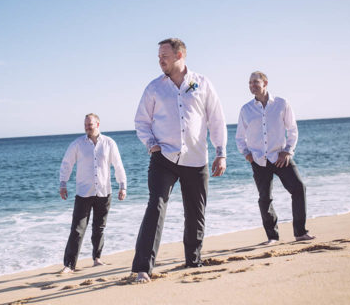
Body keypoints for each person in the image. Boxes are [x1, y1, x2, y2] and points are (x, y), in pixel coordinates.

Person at [131, 38, 227, 283]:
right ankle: (143, 268)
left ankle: (193, 261)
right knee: (156, 207)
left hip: (196, 159)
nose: (160, 60)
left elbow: (216, 119)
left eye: (164, 55)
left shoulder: (202, 83)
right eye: (159, 56)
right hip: (164, 157)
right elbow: (141, 121)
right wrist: (151, 144)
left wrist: (221, 152)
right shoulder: (154, 87)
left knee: (196, 212)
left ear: (180, 54)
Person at [235, 71, 314, 244]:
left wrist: (287, 151)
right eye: (250, 83)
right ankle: (272, 237)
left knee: (299, 188)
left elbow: (292, 129)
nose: (252, 85)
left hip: (280, 158)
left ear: (265, 83)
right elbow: (240, 137)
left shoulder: (281, 103)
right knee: (265, 198)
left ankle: (300, 232)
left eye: (255, 82)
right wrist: (247, 154)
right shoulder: (246, 109)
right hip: (259, 161)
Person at [59, 113, 127, 273]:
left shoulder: (109, 143)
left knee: (99, 227)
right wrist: (63, 183)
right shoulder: (78, 144)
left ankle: (97, 259)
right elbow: (66, 163)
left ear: (98, 124)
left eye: (90, 125)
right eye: (85, 125)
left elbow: (118, 165)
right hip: (84, 193)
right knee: (77, 229)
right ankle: (69, 265)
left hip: (104, 192)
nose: (87, 128)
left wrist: (122, 185)